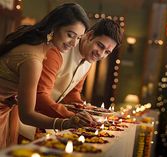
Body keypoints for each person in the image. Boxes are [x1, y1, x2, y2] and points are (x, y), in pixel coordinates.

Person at [0, 3, 96, 149]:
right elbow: (27, 115)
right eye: (70, 35)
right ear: (54, 27)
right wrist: (64, 123)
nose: (73, 43)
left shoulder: (37, 45)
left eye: (78, 38)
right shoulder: (34, 60)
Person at [35, 18, 123, 118]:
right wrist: (72, 117)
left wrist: (84, 110)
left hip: (46, 117)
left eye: (107, 52)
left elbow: (73, 93)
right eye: (100, 45)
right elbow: (40, 95)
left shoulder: (89, 60)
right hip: (27, 117)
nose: (100, 54)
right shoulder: (59, 50)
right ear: (89, 35)